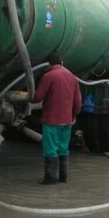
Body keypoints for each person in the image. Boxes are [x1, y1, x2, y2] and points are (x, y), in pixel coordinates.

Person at [33, 53, 82, 184]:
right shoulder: (72, 77)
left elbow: (38, 97)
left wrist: (27, 96)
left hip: (51, 120)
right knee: (63, 148)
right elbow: (78, 102)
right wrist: (74, 116)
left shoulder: (48, 76)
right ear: (62, 63)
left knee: (51, 150)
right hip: (67, 121)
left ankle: (50, 181)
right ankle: (63, 178)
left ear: (49, 64)